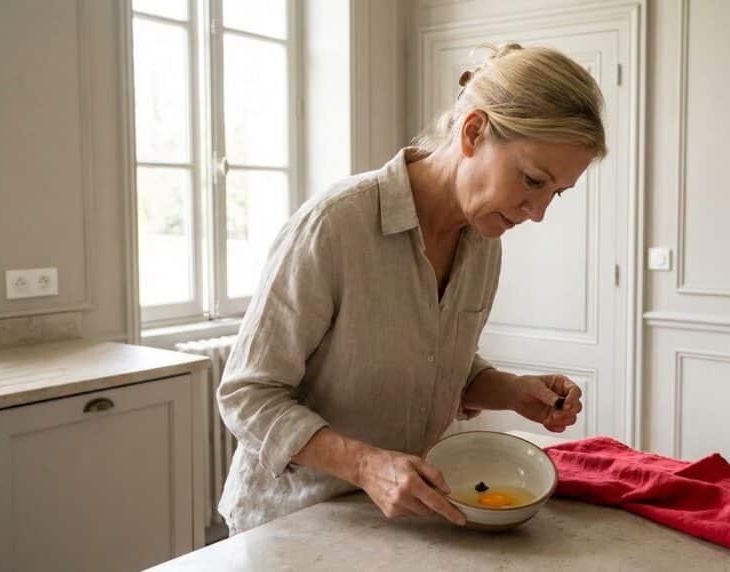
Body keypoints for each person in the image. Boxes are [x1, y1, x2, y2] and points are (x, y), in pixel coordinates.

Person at [217, 42, 608, 535]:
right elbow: (247, 394)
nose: (539, 213)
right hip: (289, 525)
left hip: (397, 524)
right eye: (532, 180)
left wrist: (512, 391)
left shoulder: (484, 243)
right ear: (473, 132)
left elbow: (436, 364)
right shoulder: (334, 225)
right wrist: (366, 465)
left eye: (556, 193)